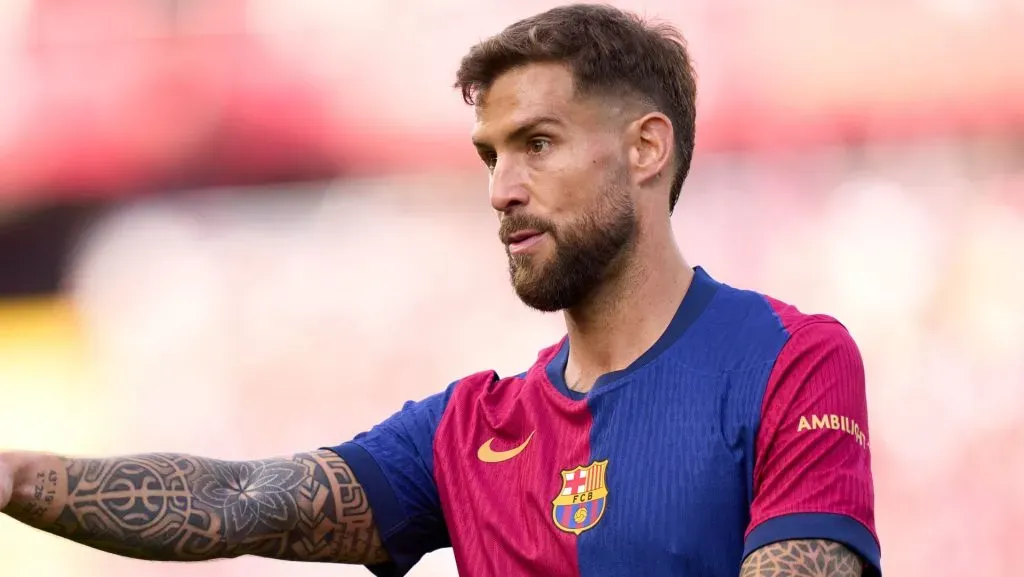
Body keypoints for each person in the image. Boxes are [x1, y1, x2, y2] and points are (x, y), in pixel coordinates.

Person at [0, 4, 881, 576]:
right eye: (490, 156)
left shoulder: (789, 359)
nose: (502, 188)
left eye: (537, 143)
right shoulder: (467, 431)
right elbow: (239, 500)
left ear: (646, 148)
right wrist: (13, 477)